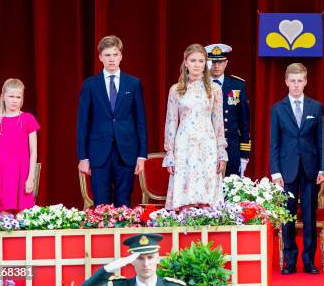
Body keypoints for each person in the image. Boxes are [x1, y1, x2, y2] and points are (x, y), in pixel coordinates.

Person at [269, 63, 324, 275]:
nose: (296, 85)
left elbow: (322, 141)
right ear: (286, 82)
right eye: (292, 81)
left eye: (299, 81)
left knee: (310, 216)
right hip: (287, 171)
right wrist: (275, 172)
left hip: (311, 169)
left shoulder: (315, 107)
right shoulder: (277, 108)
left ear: (305, 82)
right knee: (288, 217)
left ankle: (309, 261)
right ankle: (290, 261)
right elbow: (274, 142)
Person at [77, 35, 148, 207]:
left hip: (127, 151)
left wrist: (141, 155)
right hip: (99, 152)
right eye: (107, 55)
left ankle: (122, 235)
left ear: (121, 56)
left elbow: (140, 121)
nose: (112, 59)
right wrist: (83, 157)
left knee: (124, 201)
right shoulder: (90, 85)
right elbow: (82, 123)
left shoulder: (133, 84)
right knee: (101, 202)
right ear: (100, 57)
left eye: (115, 55)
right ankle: (103, 234)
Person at [163, 43, 228, 210]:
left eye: (201, 61)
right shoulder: (175, 90)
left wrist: (221, 151)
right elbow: (171, 122)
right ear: (186, 62)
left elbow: (218, 121)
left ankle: (207, 228)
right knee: (186, 194)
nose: (197, 64)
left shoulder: (214, 89)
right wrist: (170, 153)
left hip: (208, 144)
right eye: (193, 60)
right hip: (184, 144)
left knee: (207, 196)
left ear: (205, 64)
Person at [0, 78, 39, 212]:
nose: (14, 100)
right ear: (3, 97)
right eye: (11, 96)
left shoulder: (28, 119)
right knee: (4, 215)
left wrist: (31, 177)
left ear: (22, 98)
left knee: (22, 215)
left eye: (18, 97)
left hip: (23, 170)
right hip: (2, 171)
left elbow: (33, 151)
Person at [205, 43, 251, 177]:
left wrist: (244, 154)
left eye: (220, 62)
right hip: (206, 145)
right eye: (213, 62)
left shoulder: (237, 85)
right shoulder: (200, 85)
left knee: (229, 191)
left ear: (226, 63)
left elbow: (244, 122)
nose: (216, 66)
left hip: (231, 147)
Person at [83, 233, 185, 285]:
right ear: (131, 261)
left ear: (158, 259)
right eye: (140, 258)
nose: (146, 264)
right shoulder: (118, 285)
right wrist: (109, 268)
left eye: (150, 257)